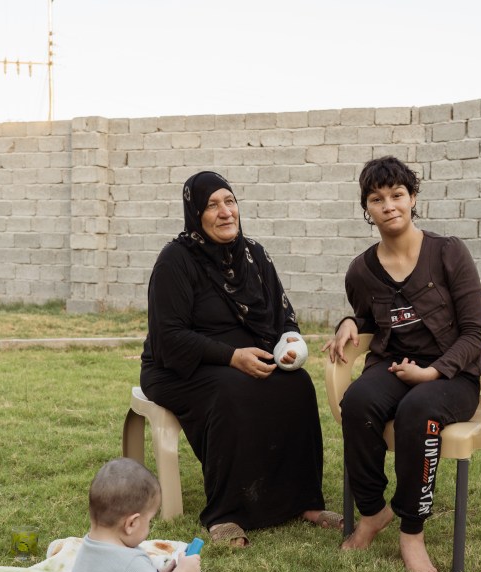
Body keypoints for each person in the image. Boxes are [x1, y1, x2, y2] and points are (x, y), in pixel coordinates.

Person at [140, 170, 341, 547]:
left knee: (298, 386)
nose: (225, 212)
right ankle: (226, 513)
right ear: (195, 213)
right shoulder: (176, 261)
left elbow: (284, 316)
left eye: (229, 201)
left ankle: (305, 501)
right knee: (232, 390)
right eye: (212, 205)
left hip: (249, 360)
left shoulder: (254, 255)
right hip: (179, 368)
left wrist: (290, 344)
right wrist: (232, 356)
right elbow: (169, 337)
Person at [323, 156, 481, 572]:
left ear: (413, 198)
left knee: (418, 410)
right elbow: (367, 318)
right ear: (367, 208)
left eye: (397, 195)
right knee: (357, 402)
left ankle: (412, 531)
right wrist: (348, 322)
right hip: (394, 366)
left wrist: (434, 373)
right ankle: (373, 512)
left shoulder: (448, 252)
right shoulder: (361, 270)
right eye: (377, 199)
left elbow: (476, 333)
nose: (389, 205)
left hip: (453, 376)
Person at [71, 458, 202, 572]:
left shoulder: (87, 547)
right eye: (149, 521)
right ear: (131, 524)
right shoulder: (131, 561)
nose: (149, 527)